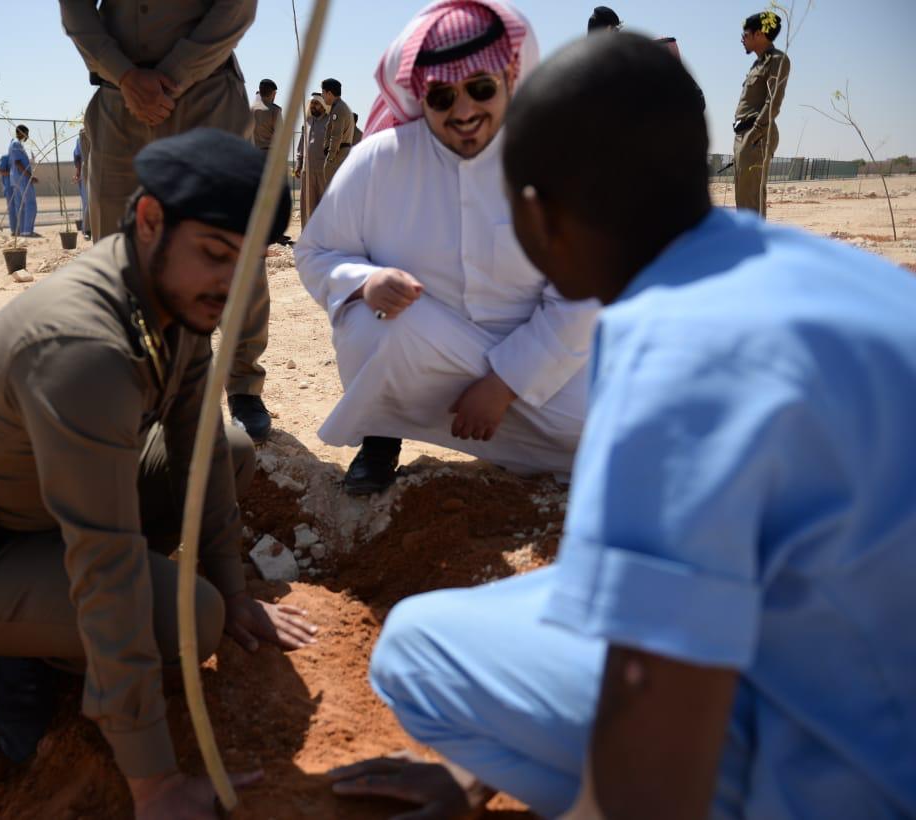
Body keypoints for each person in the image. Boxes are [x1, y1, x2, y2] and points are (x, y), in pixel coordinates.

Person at [350, 33, 916, 819]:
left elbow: (650, 772)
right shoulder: (841, 275)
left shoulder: (669, 350)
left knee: (418, 648)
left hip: (863, 772)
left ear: (538, 216)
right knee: (578, 593)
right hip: (857, 646)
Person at [0, 129, 316, 818]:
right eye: (216, 255)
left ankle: (57, 622)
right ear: (150, 220)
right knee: (191, 621)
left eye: (251, 263)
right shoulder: (82, 346)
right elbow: (106, 563)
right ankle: (26, 650)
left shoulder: (173, 290)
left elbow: (199, 445)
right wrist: (156, 784)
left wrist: (237, 591)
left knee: (232, 452)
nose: (233, 286)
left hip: (48, 515)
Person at [296, 0, 595, 495]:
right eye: (441, 98)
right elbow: (316, 252)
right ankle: (381, 436)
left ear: (510, 78)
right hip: (423, 346)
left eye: (480, 89)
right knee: (372, 329)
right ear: (420, 95)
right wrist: (363, 281)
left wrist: (503, 384)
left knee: (599, 431)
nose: (463, 112)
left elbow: (582, 298)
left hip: (534, 362)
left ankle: (515, 455)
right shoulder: (380, 159)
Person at [60, 0, 276, 441]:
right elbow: (75, 8)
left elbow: (236, 7)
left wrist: (169, 77)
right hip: (118, 101)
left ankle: (243, 383)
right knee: (117, 253)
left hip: (206, 94)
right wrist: (124, 75)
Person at [734, 11, 790, 217]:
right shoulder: (758, 63)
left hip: (757, 135)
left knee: (751, 199)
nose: (742, 39)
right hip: (744, 134)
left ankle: (755, 245)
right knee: (742, 197)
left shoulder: (778, 60)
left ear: (759, 35)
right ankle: (745, 245)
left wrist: (755, 133)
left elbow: (773, 102)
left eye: (746, 34)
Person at [295, 93, 329, 228]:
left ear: (323, 105)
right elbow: (301, 146)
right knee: (307, 204)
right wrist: (298, 164)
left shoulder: (329, 122)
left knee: (323, 203)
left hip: (323, 170)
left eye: (317, 103)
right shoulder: (307, 122)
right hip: (307, 170)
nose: (313, 106)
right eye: (312, 103)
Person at [7, 125, 39, 237]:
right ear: (21, 133)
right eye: (26, 133)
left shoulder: (14, 144)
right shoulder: (16, 144)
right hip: (22, 178)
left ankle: (22, 231)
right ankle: (27, 230)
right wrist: (30, 176)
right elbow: (18, 163)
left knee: (20, 205)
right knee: (30, 204)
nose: (27, 136)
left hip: (16, 178)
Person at [320, 78, 353, 184]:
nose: (322, 96)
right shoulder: (339, 107)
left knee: (333, 190)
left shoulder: (338, 109)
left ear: (329, 93)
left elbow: (336, 135)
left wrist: (330, 157)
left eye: (323, 93)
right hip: (341, 154)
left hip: (337, 156)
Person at [250, 78, 281, 150]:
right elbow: (280, 134)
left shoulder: (251, 109)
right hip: (269, 153)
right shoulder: (275, 110)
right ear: (273, 93)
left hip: (252, 151)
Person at [73, 128, 90, 238]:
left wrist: (78, 173)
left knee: (87, 200)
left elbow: (77, 157)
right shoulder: (82, 136)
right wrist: (78, 173)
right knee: (87, 200)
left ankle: (88, 229)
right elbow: (78, 157)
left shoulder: (81, 136)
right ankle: (87, 229)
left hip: (88, 170)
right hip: (87, 170)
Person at [0, 153, 14, 232]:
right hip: (9, 186)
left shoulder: (20, 156)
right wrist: (14, 174)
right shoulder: (5, 157)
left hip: (18, 187)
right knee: (12, 208)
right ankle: (14, 229)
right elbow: (1, 171)